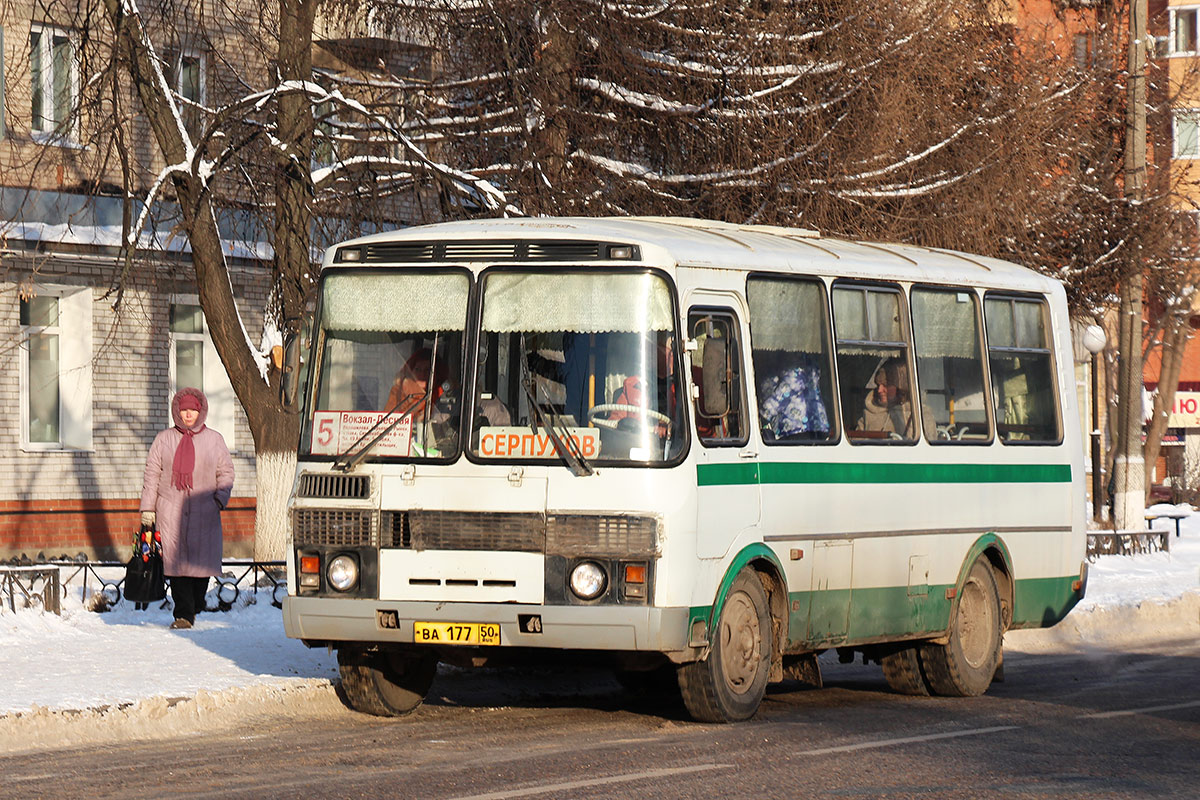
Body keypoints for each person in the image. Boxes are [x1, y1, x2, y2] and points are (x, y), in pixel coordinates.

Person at [140, 387, 234, 629]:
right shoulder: (164, 439)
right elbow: (152, 474)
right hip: (171, 511)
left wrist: (219, 499)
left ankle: (196, 604)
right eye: (184, 410)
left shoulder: (214, 440)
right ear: (177, 412)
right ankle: (183, 615)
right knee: (177, 566)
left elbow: (225, 472)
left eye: (192, 410)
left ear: (200, 411)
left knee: (201, 567)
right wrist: (148, 509)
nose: (188, 414)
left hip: (204, 512)